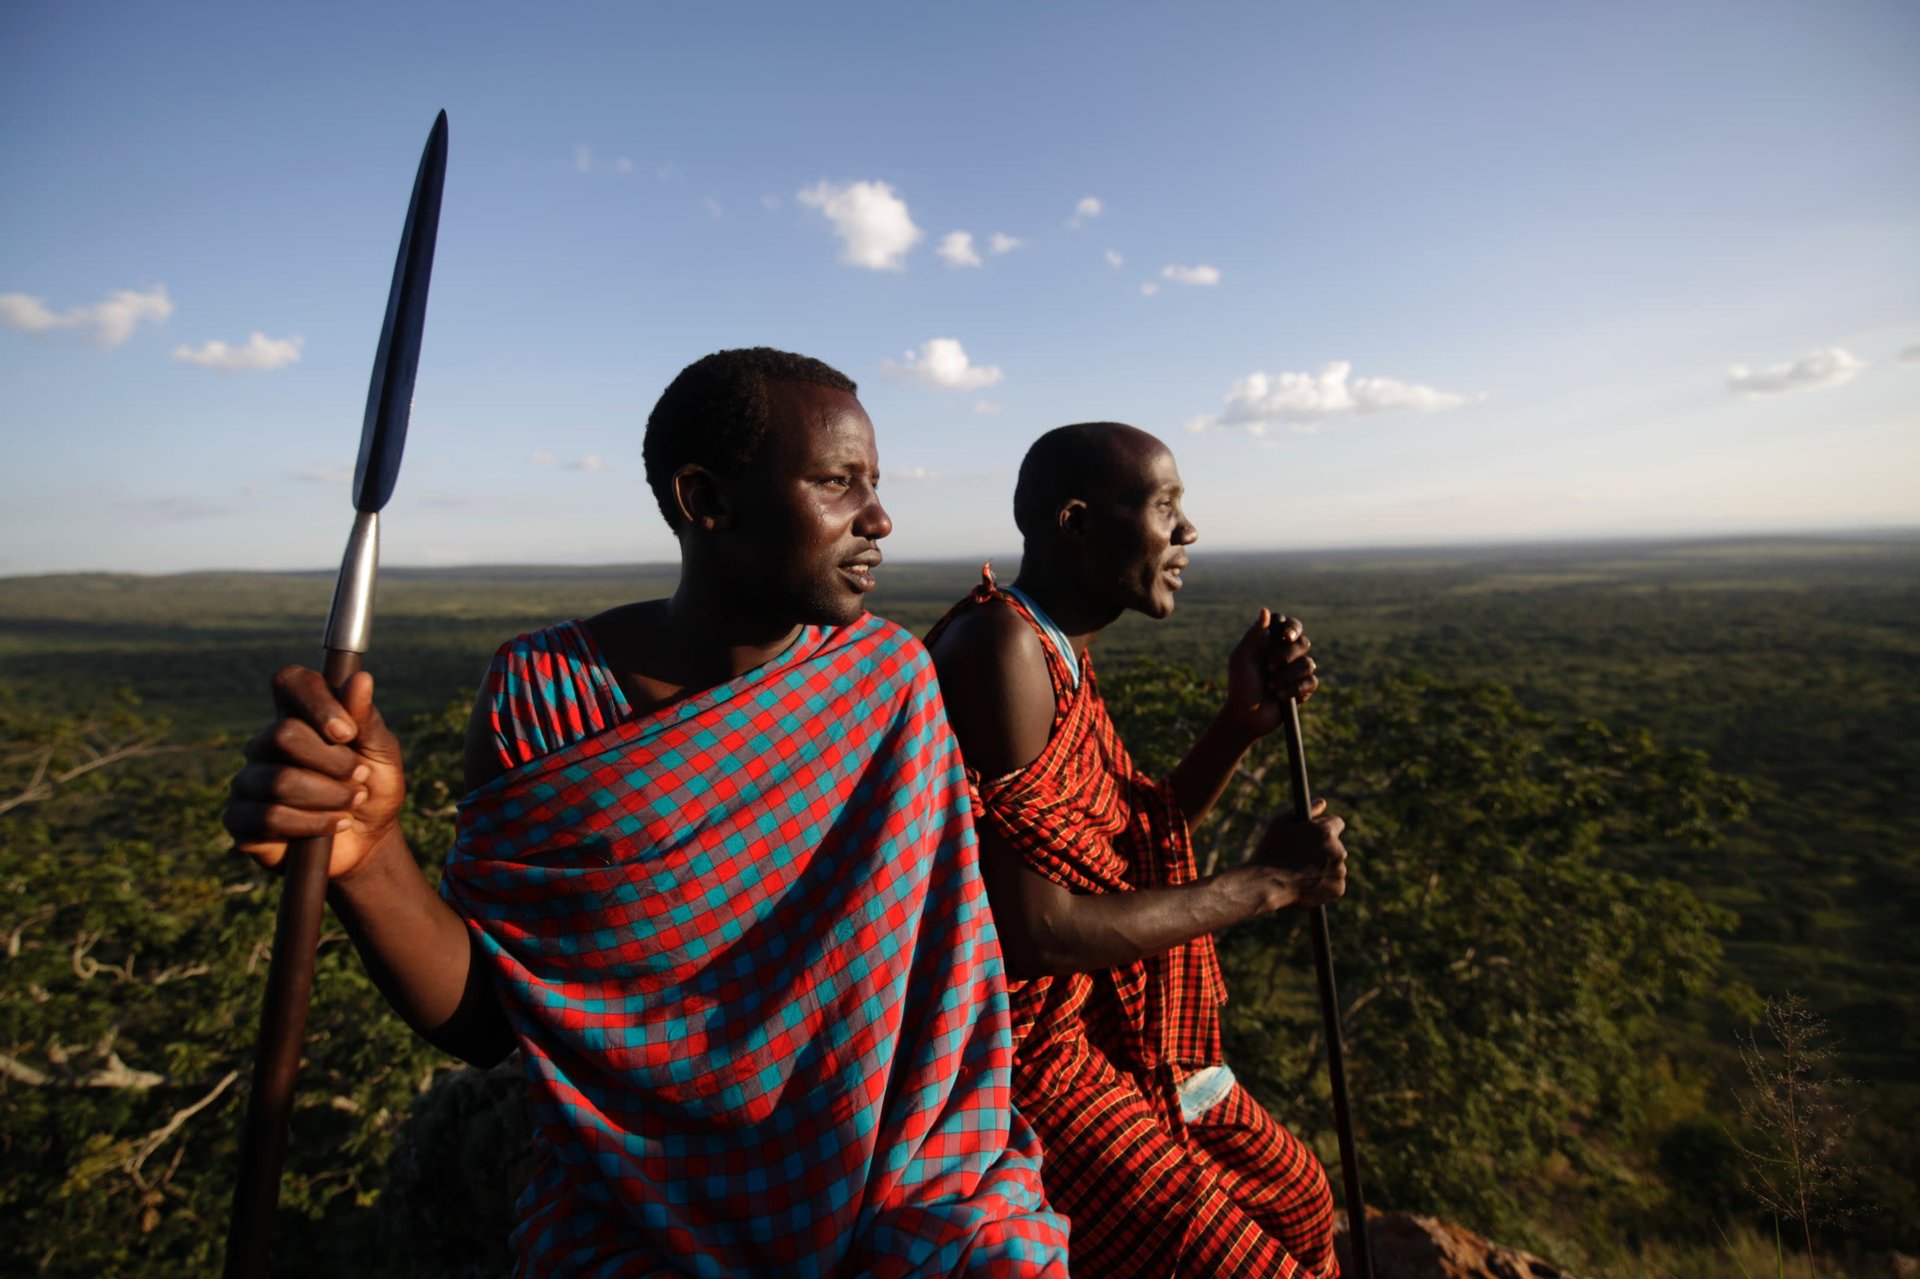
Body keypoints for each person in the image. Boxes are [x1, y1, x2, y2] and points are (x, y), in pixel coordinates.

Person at [225, 349, 1069, 1278]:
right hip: (635, 1209)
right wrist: (368, 853)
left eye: (873, 483)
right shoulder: (545, 696)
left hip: (909, 1190)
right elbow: (491, 1022)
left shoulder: (887, 685)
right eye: (838, 482)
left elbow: (943, 994)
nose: (879, 518)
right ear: (705, 499)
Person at [924, 421, 1349, 1279]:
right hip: (1027, 1062)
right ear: (1076, 522)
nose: (1187, 532)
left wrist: (1240, 723)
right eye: (1165, 506)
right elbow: (1043, 929)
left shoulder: (1056, 650)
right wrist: (1268, 884)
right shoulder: (1001, 647)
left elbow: (1130, 840)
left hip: (1095, 1033)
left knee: (1300, 1193)